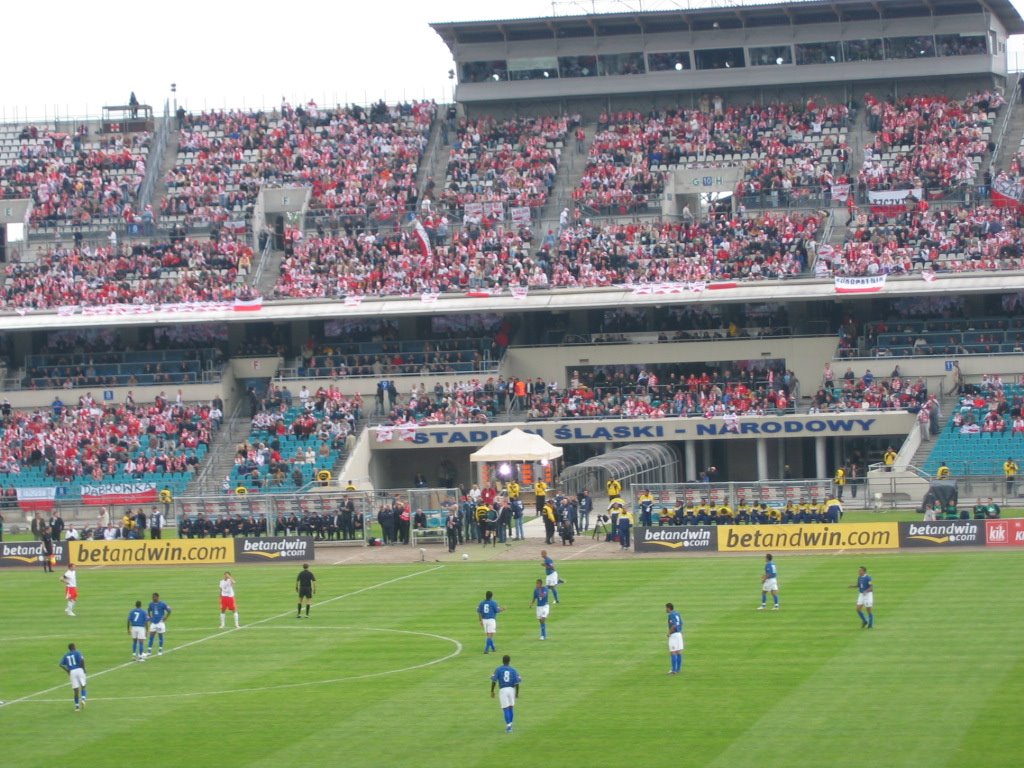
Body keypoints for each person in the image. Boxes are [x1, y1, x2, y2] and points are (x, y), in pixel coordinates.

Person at [490, 654, 521, 733]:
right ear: (509, 661)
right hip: (511, 689)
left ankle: (509, 726)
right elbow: (517, 682)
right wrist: (517, 693)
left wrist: (492, 691)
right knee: (511, 708)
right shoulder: (513, 670)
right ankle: (510, 725)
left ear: (502, 661)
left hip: (503, 690)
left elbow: (494, 681)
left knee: (505, 708)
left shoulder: (498, 669)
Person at [59, 642, 88, 711]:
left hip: (72, 672)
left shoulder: (66, 655)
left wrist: (67, 671)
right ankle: (83, 699)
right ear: (74, 647)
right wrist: (84, 669)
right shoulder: (78, 652)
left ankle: (77, 707)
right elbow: (82, 660)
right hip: (79, 670)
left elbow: (60, 664)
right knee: (83, 685)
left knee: (76, 690)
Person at [665, 602, 684, 675]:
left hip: (674, 635)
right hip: (679, 634)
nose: (665, 609)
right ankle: (678, 669)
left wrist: (669, 632)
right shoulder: (677, 613)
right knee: (679, 652)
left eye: (666, 608)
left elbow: (674, 625)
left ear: (668, 608)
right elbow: (681, 623)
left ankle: (673, 671)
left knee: (673, 652)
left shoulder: (671, 615)